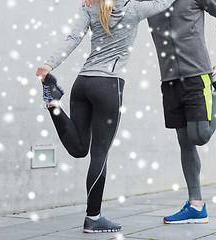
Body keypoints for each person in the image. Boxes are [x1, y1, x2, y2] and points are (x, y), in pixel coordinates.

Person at [83, 0, 216, 224]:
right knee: (185, 141)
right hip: (170, 80)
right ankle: (196, 205)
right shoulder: (148, 3)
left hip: (197, 76)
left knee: (199, 135)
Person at [36, 0, 177, 233]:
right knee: (99, 154)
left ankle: (53, 103)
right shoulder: (134, 8)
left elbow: (73, 37)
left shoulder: (90, 6)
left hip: (82, 84)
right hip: (108, 86)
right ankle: (93, 217)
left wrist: (49, 64)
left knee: (79, 149)